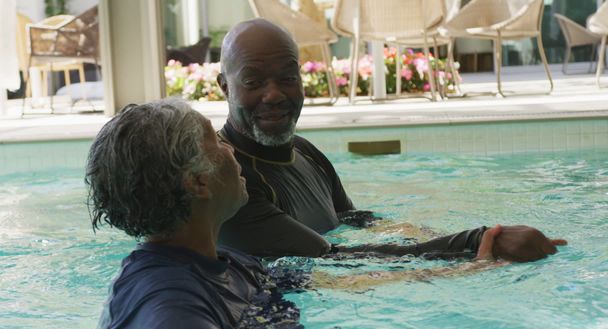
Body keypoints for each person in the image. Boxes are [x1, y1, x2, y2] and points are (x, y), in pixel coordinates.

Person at [87, 98, 550, 329]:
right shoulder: (167, 302)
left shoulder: (227, 265)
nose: (230, 149)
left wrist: (472, 261)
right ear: (199, 182)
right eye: (217, 141)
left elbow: (339, 281)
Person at [216, 19, 567, 260]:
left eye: (288, 78)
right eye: (253, 82)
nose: (274, 94)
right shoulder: (229, 182)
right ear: (224, 87)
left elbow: (354, 221)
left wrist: (425, 234)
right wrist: (475, 242)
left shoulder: (306, 153)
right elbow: (332, 261)